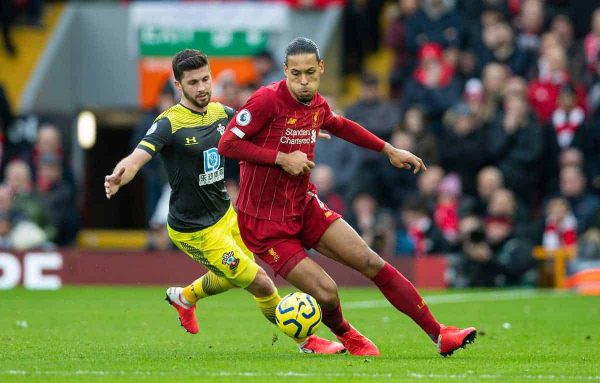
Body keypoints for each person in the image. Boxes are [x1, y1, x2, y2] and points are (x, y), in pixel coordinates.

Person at [218, 37, 476, 357]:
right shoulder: (265, 101)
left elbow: (342, 126)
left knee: (371, 261)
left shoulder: (316, 105)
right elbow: (227, 144)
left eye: (310, 73)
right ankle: (348, 336)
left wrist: (389, 149)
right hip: (264, 222)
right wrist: (281, 158)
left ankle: (440, 335)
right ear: (284, 71)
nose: (303, 81)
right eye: (295, 73)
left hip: (303, 204)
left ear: (321, 69)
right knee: (327, 292)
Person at [103, 49, 343, 354]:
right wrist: (119, 175)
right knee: (259, 281)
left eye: (205, 79)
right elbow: (138, 157)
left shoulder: (221, 112)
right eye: (193, 83)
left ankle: (185, 297)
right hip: (194, 229)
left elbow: (263, 130)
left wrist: (304, 130)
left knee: (233, 275)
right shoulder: (168, 123)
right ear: (178, 85)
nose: (202, 87)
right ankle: (306, 342)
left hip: (226, 216)